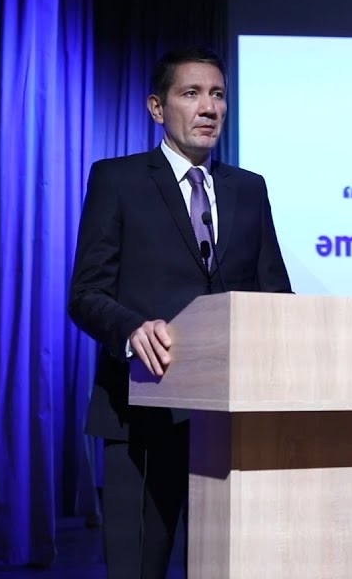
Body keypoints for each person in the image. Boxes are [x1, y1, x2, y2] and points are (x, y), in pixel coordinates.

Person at [68, 46, 293, 578]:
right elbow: (86, 293)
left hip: (234, 419)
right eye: (191, 94)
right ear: (156, 107)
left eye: (217, 95)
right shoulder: (118, 180)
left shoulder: (249, 189)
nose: (209, 107)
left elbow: (275, 298)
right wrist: (131, 329)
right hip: (144, 408)